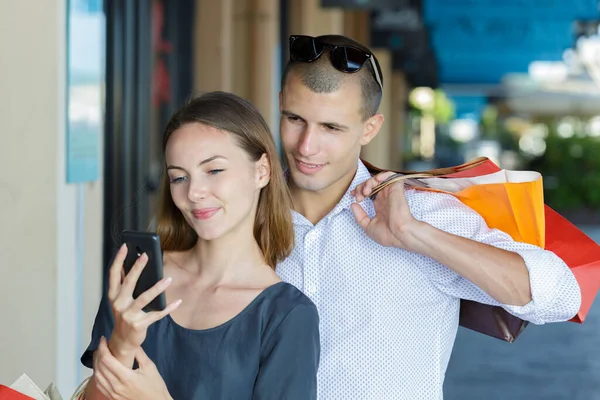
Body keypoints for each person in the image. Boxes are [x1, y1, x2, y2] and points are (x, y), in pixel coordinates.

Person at [275, 34, 581, 400]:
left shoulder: (421, 213)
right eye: (295, 119)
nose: (306, 146)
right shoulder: (243, 211)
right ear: (279, 105)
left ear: (370, 129)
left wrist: (415, 235)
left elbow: (561, 296)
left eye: (331, 127)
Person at [80, 91, 320, 400]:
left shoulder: (286, 316)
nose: (194, 192)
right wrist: (123, 344)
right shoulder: (137, 277)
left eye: (214, 170)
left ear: (262, 171)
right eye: (179, 178)